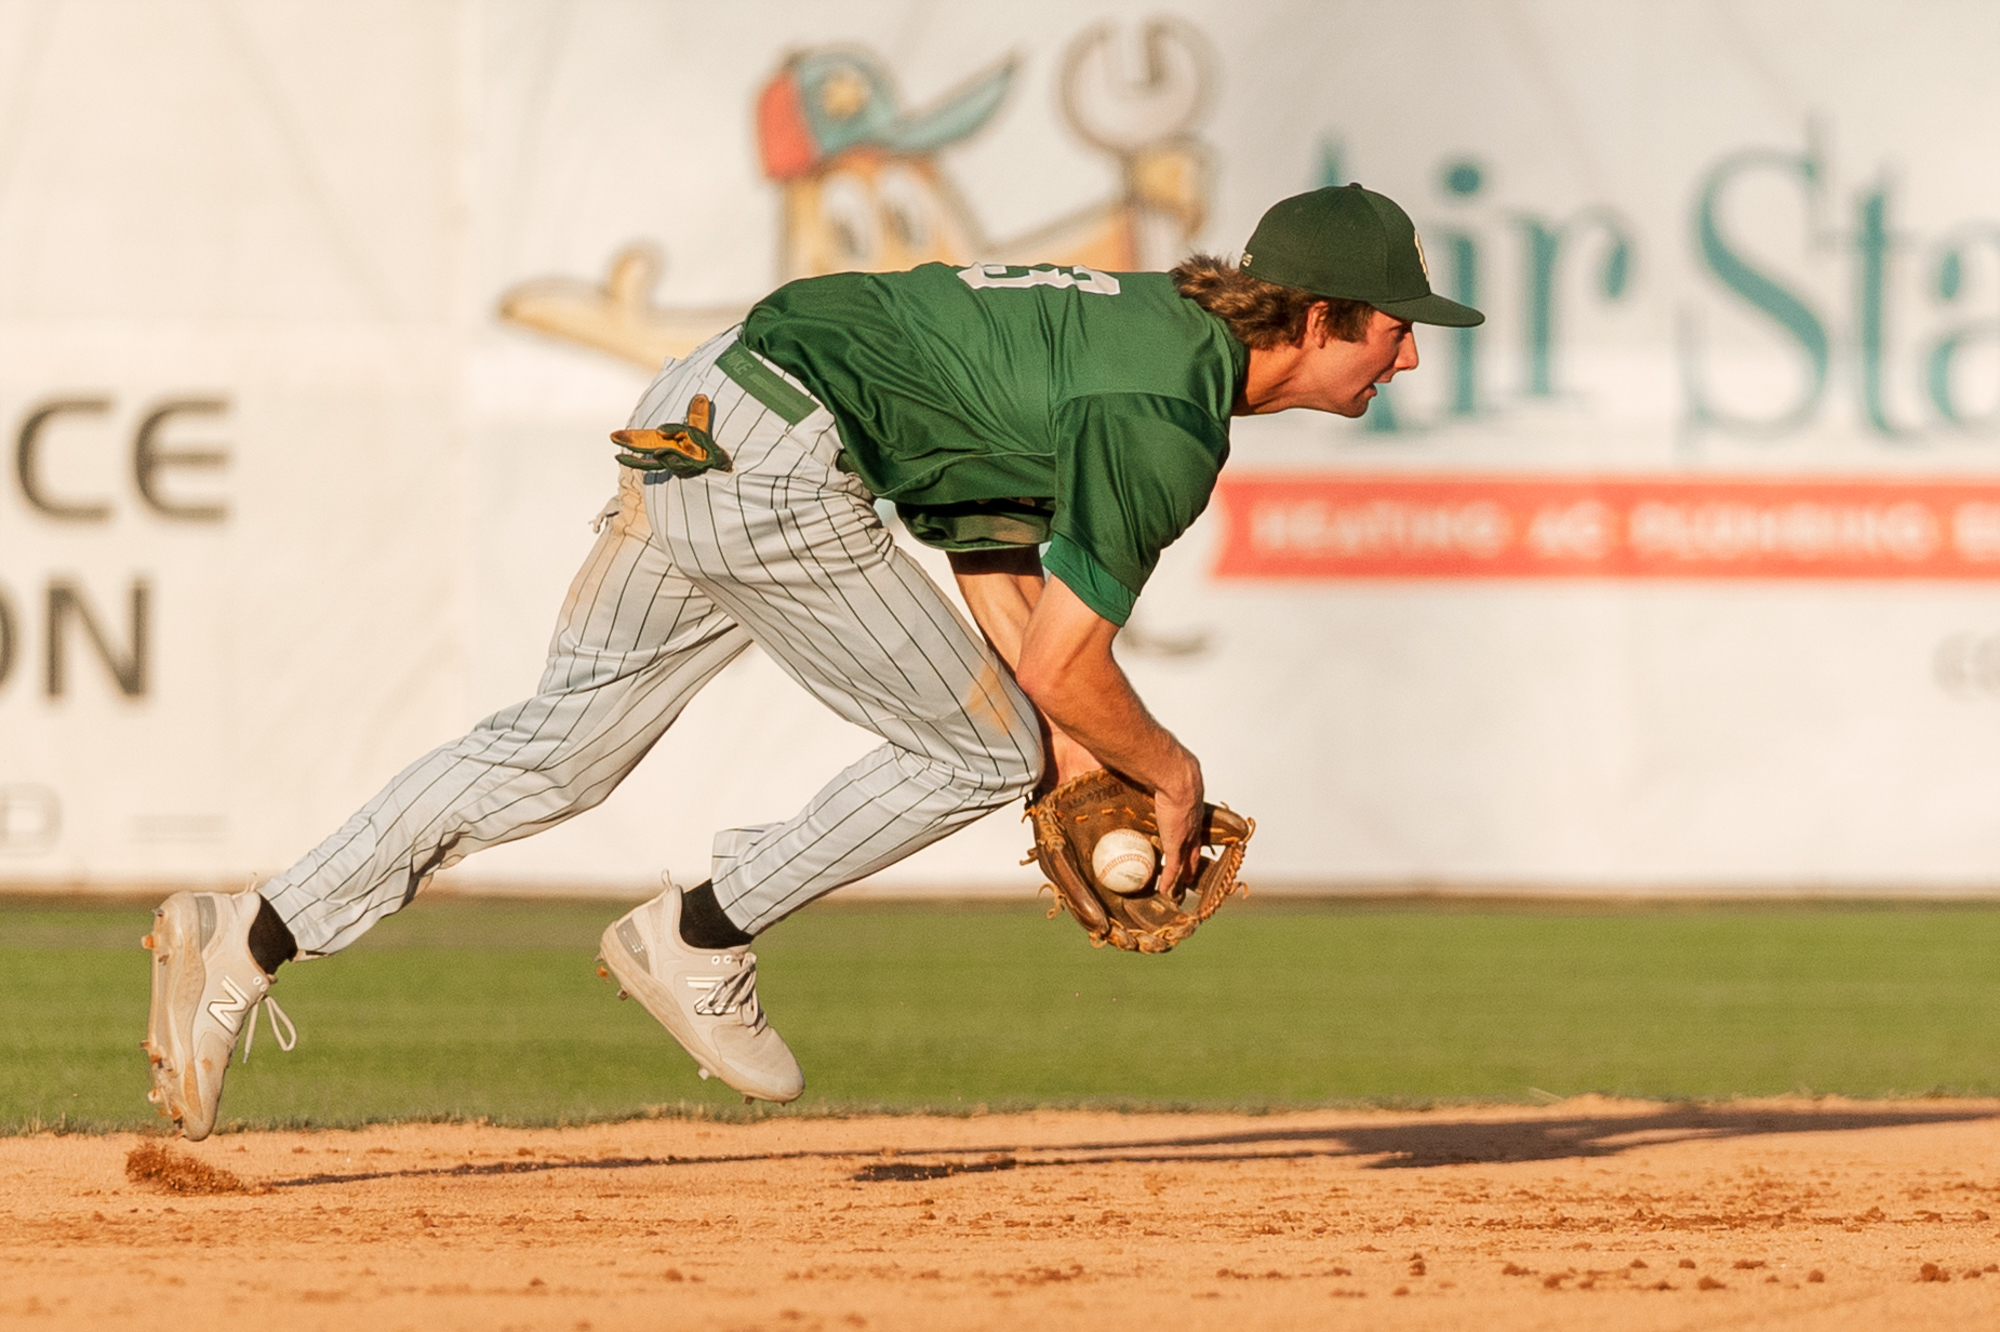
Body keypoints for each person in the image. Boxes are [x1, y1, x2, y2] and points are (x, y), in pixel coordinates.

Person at [141, 184, 1483, 1139]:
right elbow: (1068, 668)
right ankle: (694, 934)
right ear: (1313, 316)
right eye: (1391, 325)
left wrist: (1070, 766)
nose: (1410, 351)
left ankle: (242, 940)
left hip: (701, 410)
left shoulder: (1132, 334)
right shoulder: (1166, 410)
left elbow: (992, 560)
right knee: (978, 747)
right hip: (783, 455)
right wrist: (1163, 773)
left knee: (557, 748)